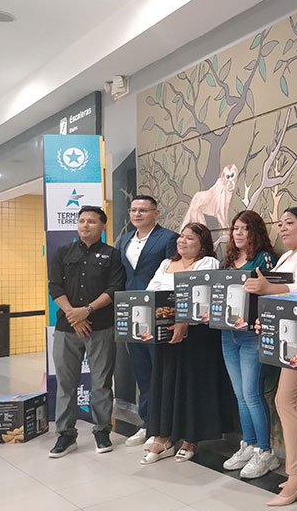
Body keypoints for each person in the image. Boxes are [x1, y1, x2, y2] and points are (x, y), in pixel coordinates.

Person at [241, 207, 297, 506]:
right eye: (280, 224)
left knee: (286, 401)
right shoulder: (288, 256)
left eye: (289, 223)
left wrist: (268, 288)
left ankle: (296, 475)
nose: (283, 228)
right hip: (286, 336)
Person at [141, 222, 237, 464]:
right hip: (166, 333)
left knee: (192, 385)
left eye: (190, 238)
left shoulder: (208, 263)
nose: (182, 241)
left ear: (202, 244)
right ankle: (163, 437)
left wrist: (184, 321)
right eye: (181, 237)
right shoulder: (166, 263)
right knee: (165, 383)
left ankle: (190, 439)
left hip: (197, 337)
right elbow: (151, 293)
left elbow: (204, 299)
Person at [47, 206, 126, 458]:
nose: (85, 225)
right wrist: (74, 314)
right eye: (81, 221)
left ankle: (102, 431)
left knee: (101, 383)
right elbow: (55, 286)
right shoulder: (63, 253)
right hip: (67, 327)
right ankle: (66, 435)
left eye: (91, 221)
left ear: (103, 226)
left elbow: (115, 288)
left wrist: (87, 310)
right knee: (66, 384)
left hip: (101, 327)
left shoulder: (112, 255)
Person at [219, 210, 280, 479]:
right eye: (235, 228)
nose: (239, 233)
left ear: (255, 232)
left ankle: (265, 451)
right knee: (239, 395)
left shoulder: (264, 259)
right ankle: (249, 444)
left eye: (245, 228)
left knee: (252, 394)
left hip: (251, 334)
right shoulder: (227, 261)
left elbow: (270, 294)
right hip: (227, 333)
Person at [117, 195, 178, 448]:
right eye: (133, 210)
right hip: (132, 313)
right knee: (141, 371)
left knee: (159, 371)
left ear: (156, 213)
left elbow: (173, 274)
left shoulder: (168, 238)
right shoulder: (125, 240)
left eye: (143, 210)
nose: (137, 214)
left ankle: (164, 428)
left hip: (158, 312)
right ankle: (147, 423)